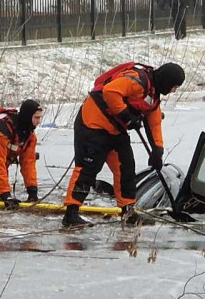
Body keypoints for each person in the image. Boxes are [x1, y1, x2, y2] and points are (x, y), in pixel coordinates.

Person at [62, 62, 185, 228]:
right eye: (174, 87)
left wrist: (157, 150)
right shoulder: (137, 80)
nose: (173, 91)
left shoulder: (153, 95)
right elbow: (110, 91)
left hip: (115, 129)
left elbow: (154, 122)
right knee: (88, 169)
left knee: (125, 167)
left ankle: (128, 211)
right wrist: (127, 116)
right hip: (92, 123)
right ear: (167, 81)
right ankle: (71, 214)